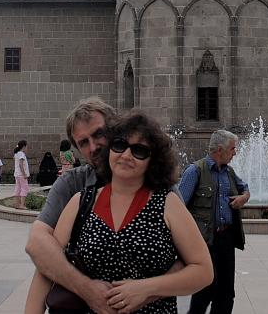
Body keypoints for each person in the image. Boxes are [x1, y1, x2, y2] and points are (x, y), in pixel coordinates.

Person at [25, 111, 213, 314]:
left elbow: (203, 270)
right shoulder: (80, 202)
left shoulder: (168, 203)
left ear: (154, 160)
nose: (126, 155)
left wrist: (147, 289)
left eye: (139, 150)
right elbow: (45, 270)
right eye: (120, 145)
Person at [25, 97, 126, 314]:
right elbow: (37, 244)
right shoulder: (73, 186)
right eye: (83, 142)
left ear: (115, 129)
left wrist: (146, 291)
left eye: (99, 134)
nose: (93, 147)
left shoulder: (156, 183)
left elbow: (191, 260)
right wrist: (87, 290)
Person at [179, 129, 251, 314]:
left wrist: (244, 197)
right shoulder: (195, 171)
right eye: (232, 149)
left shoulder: (229, 172)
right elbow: (178, 209)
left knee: (226, 292)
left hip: (226, 238)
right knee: (206, 289)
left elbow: (245, 189)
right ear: (220, 150)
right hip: (204, 241)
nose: (235, 153)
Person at [14, 140, 31, 209]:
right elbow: (21, 165)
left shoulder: (17, 153)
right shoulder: (21, 154)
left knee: (18, 188)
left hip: (17, 174)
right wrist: (24, 174)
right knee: (24, 189)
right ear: (24, 146)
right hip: (21, 175)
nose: (27, 148)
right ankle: (22, 205)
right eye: (26, 146)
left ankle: (16, 204)